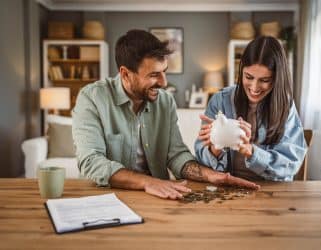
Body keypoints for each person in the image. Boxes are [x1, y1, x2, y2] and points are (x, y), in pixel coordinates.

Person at [72, 29, 259, 200]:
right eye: (154, 75)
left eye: (164, 72)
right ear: (126, 74)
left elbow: (176, 155)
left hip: (159, 197)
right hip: (106, 198)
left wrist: (211, 175)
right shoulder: (92, 98)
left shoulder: (165, 101)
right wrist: (148, 182)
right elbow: (91, 162)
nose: (163, 83)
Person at [195, 36, 307, 181]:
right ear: (241, 71)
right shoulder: (220, 100)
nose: (254, 88)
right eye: (248, 77)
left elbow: (291, 163)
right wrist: (214, 148)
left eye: (264, 80)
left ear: (277, 78)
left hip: (272, 191)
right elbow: (200, 157)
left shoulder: (285, 105)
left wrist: (252, 151)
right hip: (228, 187)